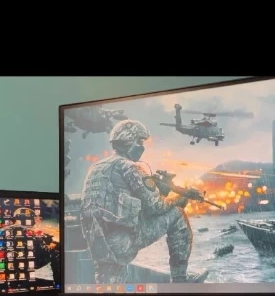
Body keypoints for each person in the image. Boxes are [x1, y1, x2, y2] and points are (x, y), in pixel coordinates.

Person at [81, 119, 194, 283]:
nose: (142, 146)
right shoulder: (129, 167)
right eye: (140, 141)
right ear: (129, 141)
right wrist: (181, 198)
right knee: (178, 214)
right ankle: (180, 280)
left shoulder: (96, 168)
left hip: (97, 242)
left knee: (109, 285)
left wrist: (161, 190)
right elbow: (156, 207)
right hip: (121, 242)